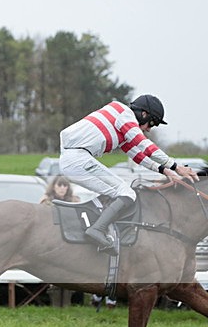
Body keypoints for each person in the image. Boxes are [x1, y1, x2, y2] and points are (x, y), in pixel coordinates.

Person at [59, 94, 198, 254]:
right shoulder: (124, 115)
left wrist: (165, 171)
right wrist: (176, 167)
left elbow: (138, 155)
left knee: (118, 193)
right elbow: (145, 145)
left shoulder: (120, 122)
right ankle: (97, 229)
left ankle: (98, 226)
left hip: (75, 158)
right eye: (152, 123)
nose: (149, 129)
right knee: (127, 193)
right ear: (143, 114)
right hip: (77, 159)